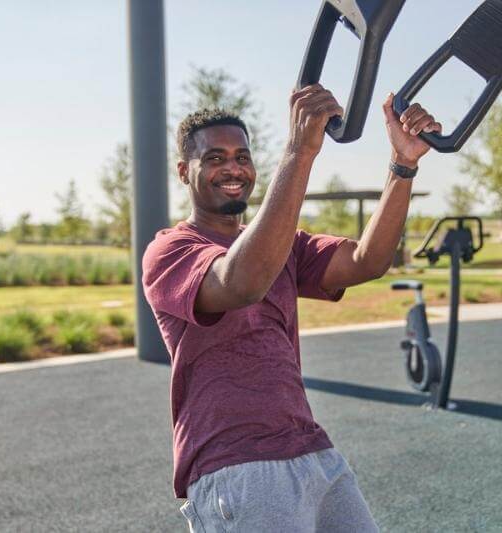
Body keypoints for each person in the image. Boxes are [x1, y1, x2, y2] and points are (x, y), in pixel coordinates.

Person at [142, 84, 441, 532]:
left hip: (311, 450)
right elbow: (242, 282)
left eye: (242, 157)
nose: (233, 168)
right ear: (185, 171)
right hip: (235, 463)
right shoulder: (170, 251)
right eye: (216, 158)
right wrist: (300, 151)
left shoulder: (285, 245)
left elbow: (367, 261)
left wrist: (404, 164)